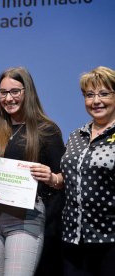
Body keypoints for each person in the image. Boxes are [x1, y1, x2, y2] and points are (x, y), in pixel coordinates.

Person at [0, 67, 65, 276]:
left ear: (27, 91)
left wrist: (51, 177)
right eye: (3, 92)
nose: (8, 98)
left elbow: (64, 179)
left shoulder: (47, 130)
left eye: (15, 91)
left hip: (26, 216)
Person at [60, 66, 115, 276]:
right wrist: (53, 178)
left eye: (104, 94)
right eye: (89, 95)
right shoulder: (76, 135)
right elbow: (70, 179)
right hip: (73, 238)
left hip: (110, 239)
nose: (96, 101)